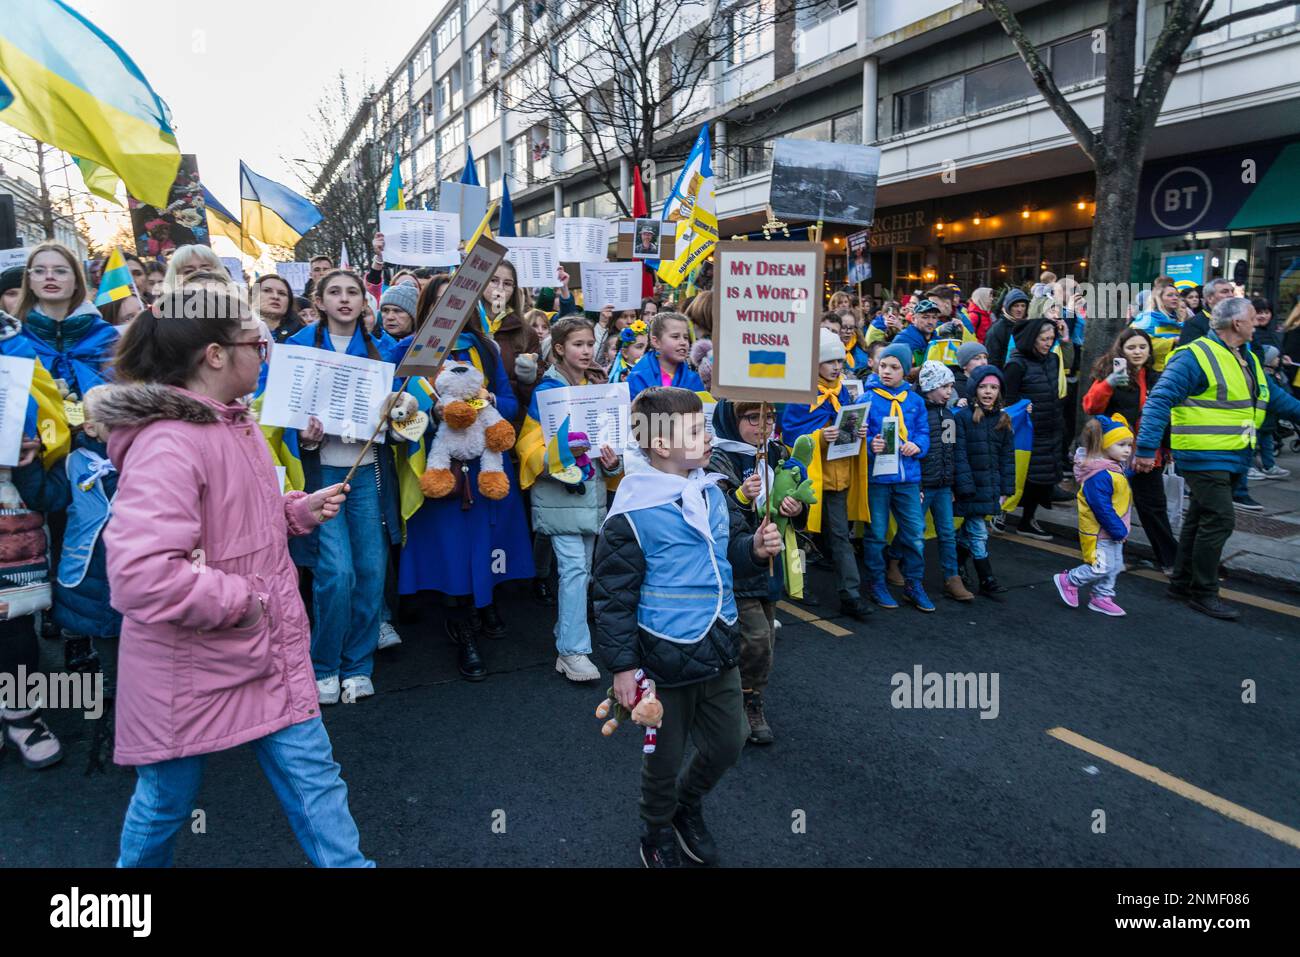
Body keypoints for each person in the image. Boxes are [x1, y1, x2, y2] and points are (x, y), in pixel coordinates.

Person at [99, 282, 369, 867]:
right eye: (258, 344)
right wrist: (245, 601)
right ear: (215, 355)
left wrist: (294, 512)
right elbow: (141, 574)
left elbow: (229, 522)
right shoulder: (169, 442)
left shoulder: (231, 423)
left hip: (264, 647)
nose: (265, 354)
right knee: (165, 802)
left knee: (317, 782)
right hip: (190, 664)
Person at [592, 386, 783, 867]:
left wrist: (755, 551)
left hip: (719, 648)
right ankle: (655, 829)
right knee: (663, 758)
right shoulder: (631, 515)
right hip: (663, 660)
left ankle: (686, 804)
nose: (708, 437)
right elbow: (612, 600)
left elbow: (730, 557)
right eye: (696, 430)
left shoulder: (712, 492)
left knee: (729, 743)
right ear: (660, 445)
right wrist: (621, 668)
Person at [396, 290, 534, 679]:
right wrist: (429, 409)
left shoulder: (485, 349)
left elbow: (510, 405)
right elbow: (397, 407)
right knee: (452, 551)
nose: (452, 306)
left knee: (486, 545)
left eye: (458, 299)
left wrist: (488, 400)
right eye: (442, 300)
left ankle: (485, 602)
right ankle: (463, 625)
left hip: (487, 464)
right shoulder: (409, 349)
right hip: (442, 465)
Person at [1135, 297, 1300, 620]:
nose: (1257, 322)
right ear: (1237, 324)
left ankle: (1182, 583)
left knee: (1200, 518)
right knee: (1220, 519)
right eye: (1252, 318)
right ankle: (1204, 591)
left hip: (1230, 455)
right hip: (1202, 455)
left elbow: (1275, 397)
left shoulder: (1246, 357)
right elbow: (1159, 401)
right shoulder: (1193, 356)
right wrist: (1145, 450)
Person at [284, 270, 405, 704]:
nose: (344, 299)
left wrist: (400, 414)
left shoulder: (385, 350)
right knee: (336, 574)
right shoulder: (297, 348)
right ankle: (324, 666)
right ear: (319, 300)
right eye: (334, 291)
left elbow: (407, 415)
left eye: (353, 291)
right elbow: (279, 414)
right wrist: (303, 436)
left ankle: (358, 664)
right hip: (321, 475)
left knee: (372, 572)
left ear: (363, 301)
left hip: (368, 471)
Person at [517, 316, 621, 683]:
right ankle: (573, 650)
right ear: (559, 348)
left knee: (583, 570)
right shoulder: (548, 391)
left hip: (590, 494)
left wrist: (613, 461)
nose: (587, 350)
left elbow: (611, 442)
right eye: (578, 344)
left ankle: (568, 640)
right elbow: (529, 445)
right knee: (575, 569)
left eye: (590, 344)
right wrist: (562, 457)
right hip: (561, 494)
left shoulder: (596, 387)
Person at [708, 400, 805, 746]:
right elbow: (716, 512)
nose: (762, 425)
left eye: (769, 417)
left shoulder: (777, 452)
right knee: (756, 637)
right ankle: (743, 699)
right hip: (738, 563)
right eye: (752, 418)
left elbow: (792, 494)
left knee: (766, 639)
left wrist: (794, 505)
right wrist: (739, 496)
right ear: (732, 421)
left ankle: (748, 696)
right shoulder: (719, 458)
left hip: (771, 562)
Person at [780, 329, 871, 620]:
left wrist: (860, 432)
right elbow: (792, 433)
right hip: (808, 479)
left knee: (840, 536)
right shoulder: (801, 393)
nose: (837, 367)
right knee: (800, 533)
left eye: (840, 362)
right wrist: (820, 437)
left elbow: (846, 425)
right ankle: (798, 586)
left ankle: (851, 595)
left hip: (837, 475)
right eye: (830, 361)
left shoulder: (843, 390)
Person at [1081, 328, 1177, 572]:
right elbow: (1091, 406)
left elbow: (1162, 415)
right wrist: (1109, 383)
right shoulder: (1110, 373)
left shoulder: (1155, 376)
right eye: (1131, 347)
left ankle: (1170, 561)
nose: (1137, 352)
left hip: (1146, 453)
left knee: (1153, 507)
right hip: (1112, 454)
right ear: (1120, 350)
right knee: (1107, 509)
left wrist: (1166, 447)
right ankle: (1102, 557)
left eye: (1142, 347)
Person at [860, 343, 932, 611]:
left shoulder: (915, 401)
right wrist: (870, 444)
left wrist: (918, 446)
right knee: (876, 533)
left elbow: (924, 433)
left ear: (905, 370)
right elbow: (853, 433)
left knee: (914, 533)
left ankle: (914, 583)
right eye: (883, 366)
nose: (887, 372)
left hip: (908, 478)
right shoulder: (866, 399)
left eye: (894, 367)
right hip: (878, 479)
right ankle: (877, 582)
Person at [1053, 415, 1135, 617]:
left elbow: (1119, 483)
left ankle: (1102, 597)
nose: (1128, 449)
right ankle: (1069, 580)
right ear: (1105, 445)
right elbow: (1101, 507)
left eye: (1129, 445)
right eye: (1122, 444)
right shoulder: (1099, 475)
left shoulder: (1111, 468)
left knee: (1114, 566)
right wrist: (1118, 529)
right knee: (1100, 567)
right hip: (1100, 531)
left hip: (1113, 528)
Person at [16, 242, 118, 402]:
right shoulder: (14, 339)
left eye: (60, 271)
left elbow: (122, 393)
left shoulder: (106, 336)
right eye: (39, 271)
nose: (49, 276)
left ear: (77, 281)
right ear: (29, 281)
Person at [954, 365, 1016, 596]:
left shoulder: (1002, 419)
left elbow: (1007, 457)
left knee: (969, 531)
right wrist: (964, 486)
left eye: (994, 387)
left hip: (988, 486)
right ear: (974, 389)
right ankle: (986, 579)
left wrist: (1006, 488)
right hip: (968, 487)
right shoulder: (961, 418)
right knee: (979, 532)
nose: (988, 392)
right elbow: (958, 453)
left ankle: (957, 564)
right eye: (983, 387)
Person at [1003, 312, 1065, 540]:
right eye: (1044, 339)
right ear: (1032, 338)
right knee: (1025, 477)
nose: (1048, 344)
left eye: (1051, 339)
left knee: (1044, 478)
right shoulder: (1016, 364)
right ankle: (1007, 514)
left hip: (1051, 425)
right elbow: (1008, 401)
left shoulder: (1053, 359)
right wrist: (1022, 408)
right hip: (1028, 430)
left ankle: (1027, 519)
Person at [914, 361, 971, 601]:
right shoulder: (919, 413)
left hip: (944, 486)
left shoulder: (948, 415)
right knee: (915, 530)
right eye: (945, 386)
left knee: (947, 533)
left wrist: (953, 483)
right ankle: (896, 562)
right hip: (924, 485)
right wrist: (916, 485)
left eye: (950, 386)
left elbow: (951, 449)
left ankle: (952, 577)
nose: (950, 391)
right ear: (930, 386)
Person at [483, 260, 541, 417]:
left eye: (507, 284)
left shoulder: (527, 334)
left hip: (509, 423)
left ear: (514, 290)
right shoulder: (466, 326)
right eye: (493, 280)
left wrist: (528, 380)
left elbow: (532, 399)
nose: (500, 288)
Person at [625, 312, 703, 399]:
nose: (683, 342)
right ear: (656, 342)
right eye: (675, 336)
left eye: (685, 337)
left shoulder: (694, 379)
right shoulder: (637, 378)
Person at [1250, 345, 1290, 480]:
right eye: (1276, 357)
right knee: (1252, 445)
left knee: (1267, 444)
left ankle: (1269, 465)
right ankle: (1249, 466)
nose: (1278, 359)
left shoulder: (1276, 375)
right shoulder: (1264, 376)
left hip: (1269, 418)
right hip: (1259, 417)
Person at [1131, 276, 1184, 371]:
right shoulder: (1148, 318)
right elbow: (1138, 341)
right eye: (1170, 295)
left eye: (1177, 295)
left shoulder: (1177, 320)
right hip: (1154, 370)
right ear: (1159, 298)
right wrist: (1172, 341)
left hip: (1175, 368)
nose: (1175, 298)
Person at [1177, 277, 1232, 345]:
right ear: (1209, 298)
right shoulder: (1194, 324)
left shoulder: (1236, 320)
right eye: (1224, 292)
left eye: (1232, 291)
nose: (1231, 295)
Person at [252, 274, 305, 344]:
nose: (275, 297)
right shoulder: (236, 331)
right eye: (267, 291)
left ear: (289, 301)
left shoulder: (304, 335)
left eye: (282, 293)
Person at [984, 288, 1029, 369]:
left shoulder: (1026, 326)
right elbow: (992, 360)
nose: (1020, 309)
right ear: (1008, 307)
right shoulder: (997, 329)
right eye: (1016, 306)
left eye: (1023, 306)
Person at [892, 297, 941, 367]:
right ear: (913, 319)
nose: (930, 322)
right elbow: (893, 368)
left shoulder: (939, 341)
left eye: (934, 317)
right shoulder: (902, 340)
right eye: (925, 317)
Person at [608, 319, 649, 383]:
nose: (645, 351)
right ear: (625, 353)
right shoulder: (621, 375)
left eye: (647, 347)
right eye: (639, 347)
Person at [950, 340, 989, 404]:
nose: (984, 362)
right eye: (977, 358)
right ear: (964, 365)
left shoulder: (990, 381)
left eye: (985, 357)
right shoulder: (957, 388)